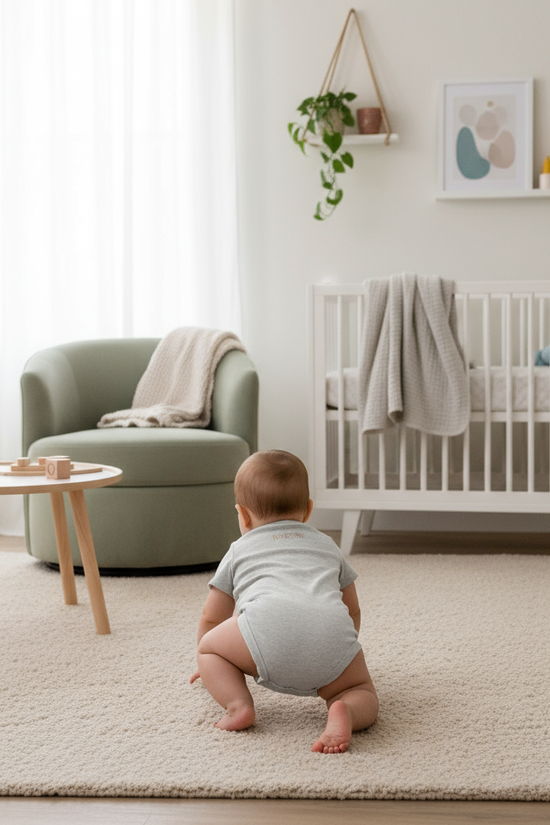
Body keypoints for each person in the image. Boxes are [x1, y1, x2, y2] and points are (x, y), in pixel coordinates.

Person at [189, 449, 378, 754]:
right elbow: (352, 608)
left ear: (243, 515)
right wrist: (338, 647)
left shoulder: (239, 549)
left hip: (265, 630)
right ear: (308, 511)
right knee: (362, 692)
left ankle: (238, 707)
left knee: (210, 649)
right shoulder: (327, 545)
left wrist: (208, 654)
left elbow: (212, 615)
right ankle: (346, 710)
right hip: (331, 635)